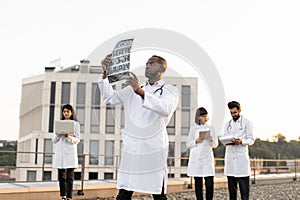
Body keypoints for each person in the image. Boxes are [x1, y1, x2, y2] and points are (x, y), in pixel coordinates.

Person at [98, 54, 179, 200]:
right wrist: (105, 73)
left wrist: (140, 92)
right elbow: (109, 97)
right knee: (124, 193)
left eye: (151, 63)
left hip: (152, 149)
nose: (147, 65)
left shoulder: (169, 90)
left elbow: (165, 108)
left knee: (158, 193)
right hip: (133, 148)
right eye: (146, 63)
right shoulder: (133, 89)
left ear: (161, 68)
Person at [221, 101, 254, 200]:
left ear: (239, 110)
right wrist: (225, 141)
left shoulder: (247, 122)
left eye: (235, 112)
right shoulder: (228, 124)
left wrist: (241, 141)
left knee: (244, 192)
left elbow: (251, 139)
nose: (233, 115)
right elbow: (225, 137)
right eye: (231, 113)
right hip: (230, 158)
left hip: (241, 160)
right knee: (232, 192)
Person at [186, 107, 218, 200]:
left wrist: (211, 138)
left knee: (209, 183)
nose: (206, 118)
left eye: (206, 116)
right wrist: (196, 141)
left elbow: (215, 144)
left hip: (207, 158)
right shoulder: (193, 129)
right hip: (196, 159)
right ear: (199, 117)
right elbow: (188, 144)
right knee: (198, 183)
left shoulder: (211, 128)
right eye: (204, 116)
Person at [52, 104, 81, 200]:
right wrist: (59, 135)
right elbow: (53, 140)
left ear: (71, 112)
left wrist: (68, 136)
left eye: (68, 111)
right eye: (64, 111)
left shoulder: (76, 124)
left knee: (69, 177)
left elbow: (77, 140)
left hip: (70, 153)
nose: (66, 113)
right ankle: (63, 196)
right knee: (61, 176)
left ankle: (69, 196)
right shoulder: (58, 124)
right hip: (60, 153)